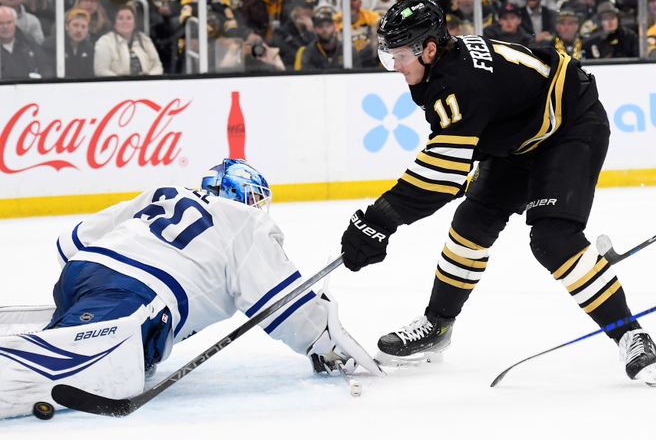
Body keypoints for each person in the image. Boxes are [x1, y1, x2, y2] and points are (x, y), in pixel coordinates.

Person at [338, 0, 656, 386]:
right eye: (388, 56)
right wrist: (387, 216)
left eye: (398, 56)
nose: (394, 66)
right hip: (521, 137)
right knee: (471, 225)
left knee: (554, 239)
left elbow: (441, 175)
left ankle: (631, 334)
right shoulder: (444, 69)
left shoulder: (457, 83)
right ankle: (437, 327)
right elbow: (452, 161)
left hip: (570, 127)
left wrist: (378, 220)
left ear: (429, 49)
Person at [0, 159, 381, 419]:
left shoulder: (164, 192)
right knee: (59, 366)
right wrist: (323, 342)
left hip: (82, 275)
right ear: (242, 197)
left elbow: (71, 243)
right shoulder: (244, 223)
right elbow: (282, 305)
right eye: (255, 202)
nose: (258, 209)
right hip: (137, 295)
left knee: (76, 336)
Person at [94, 4, 164, 77]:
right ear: (115, 23)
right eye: (120, 18)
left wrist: (147, 79)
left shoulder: (145, 39)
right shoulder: (104, 41)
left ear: (135, 23)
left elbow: (157, 66)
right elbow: (101, 71)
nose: (125, 21)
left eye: (129, 18)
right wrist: (123, 83)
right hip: (117, 86)